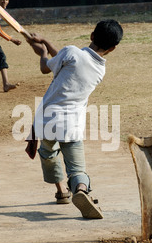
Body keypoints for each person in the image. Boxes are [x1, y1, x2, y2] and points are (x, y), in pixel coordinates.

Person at [26, 20, 123, 219]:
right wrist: (44, 41)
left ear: (91, 36)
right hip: (71, 126)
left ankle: (62, 191)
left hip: (46, 120)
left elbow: (48, 67)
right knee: (77, 169)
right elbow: (66, 59)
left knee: (48, 152)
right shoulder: (99, 71)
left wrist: (42, 51)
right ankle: (80, 190)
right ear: (112, 49)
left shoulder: (70, 52)